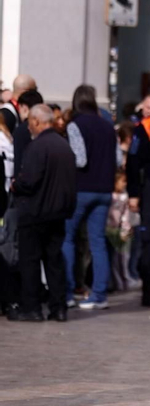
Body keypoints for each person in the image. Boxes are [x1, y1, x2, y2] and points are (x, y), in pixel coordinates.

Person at [9, 104, 76, 321]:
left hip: (35, 212)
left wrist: (15, 185)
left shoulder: (38, 147)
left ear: (37, 121)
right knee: (54, 261)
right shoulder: (63, 145)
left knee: (30, 261)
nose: (29, 128)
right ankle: (59, 307)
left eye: (30, 123)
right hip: (57, 212)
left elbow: (29, 180)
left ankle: (32, 308)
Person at [63, 85, 119, 309]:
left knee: (67, 238)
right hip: (104, 190)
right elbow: (118, 159)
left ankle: (66, 292)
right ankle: (99, 294)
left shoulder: (76, 125)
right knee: (98, 242)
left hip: (81, 188)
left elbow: (80, 159)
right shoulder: (108, 127)